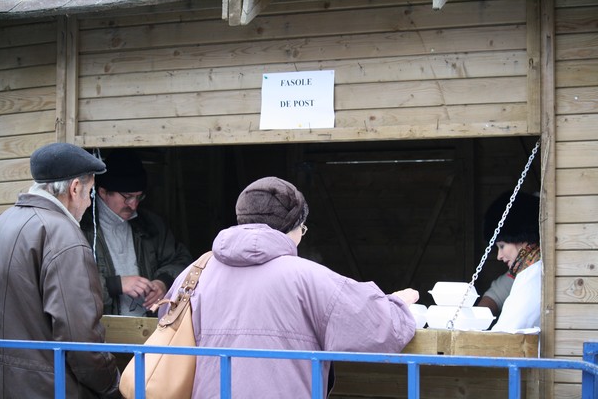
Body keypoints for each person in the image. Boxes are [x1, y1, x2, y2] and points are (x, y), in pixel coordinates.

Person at [161, 176, 419, 398]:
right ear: (293, 227)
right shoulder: (310, 277)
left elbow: (169, 321)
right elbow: (376, 330)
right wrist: (398, 304)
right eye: (302, 229)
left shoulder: (194, 273)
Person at [0, 142, 120, 398]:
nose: (89, 202)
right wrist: (112, 385)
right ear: (75, 188)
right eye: (90, 192)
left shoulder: (3, 222)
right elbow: (79, 337)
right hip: (49, 389)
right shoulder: (64, 236)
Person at [81, 149, 193, 316]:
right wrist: (115, 285)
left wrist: (163, 282)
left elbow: (182, 260)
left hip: (149, 328)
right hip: (100, 329)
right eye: (127, 197)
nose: (133, 205)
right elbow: (70, 285)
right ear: (103, 192)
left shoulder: (151, 224)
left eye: (139, 197)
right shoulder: (81, 227)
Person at [481, 191, 541, 332]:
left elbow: (507, 331)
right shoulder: (529, 268)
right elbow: (498, 291)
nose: (499, 256)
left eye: (502, 246)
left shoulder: (532, 274)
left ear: (521, 239)